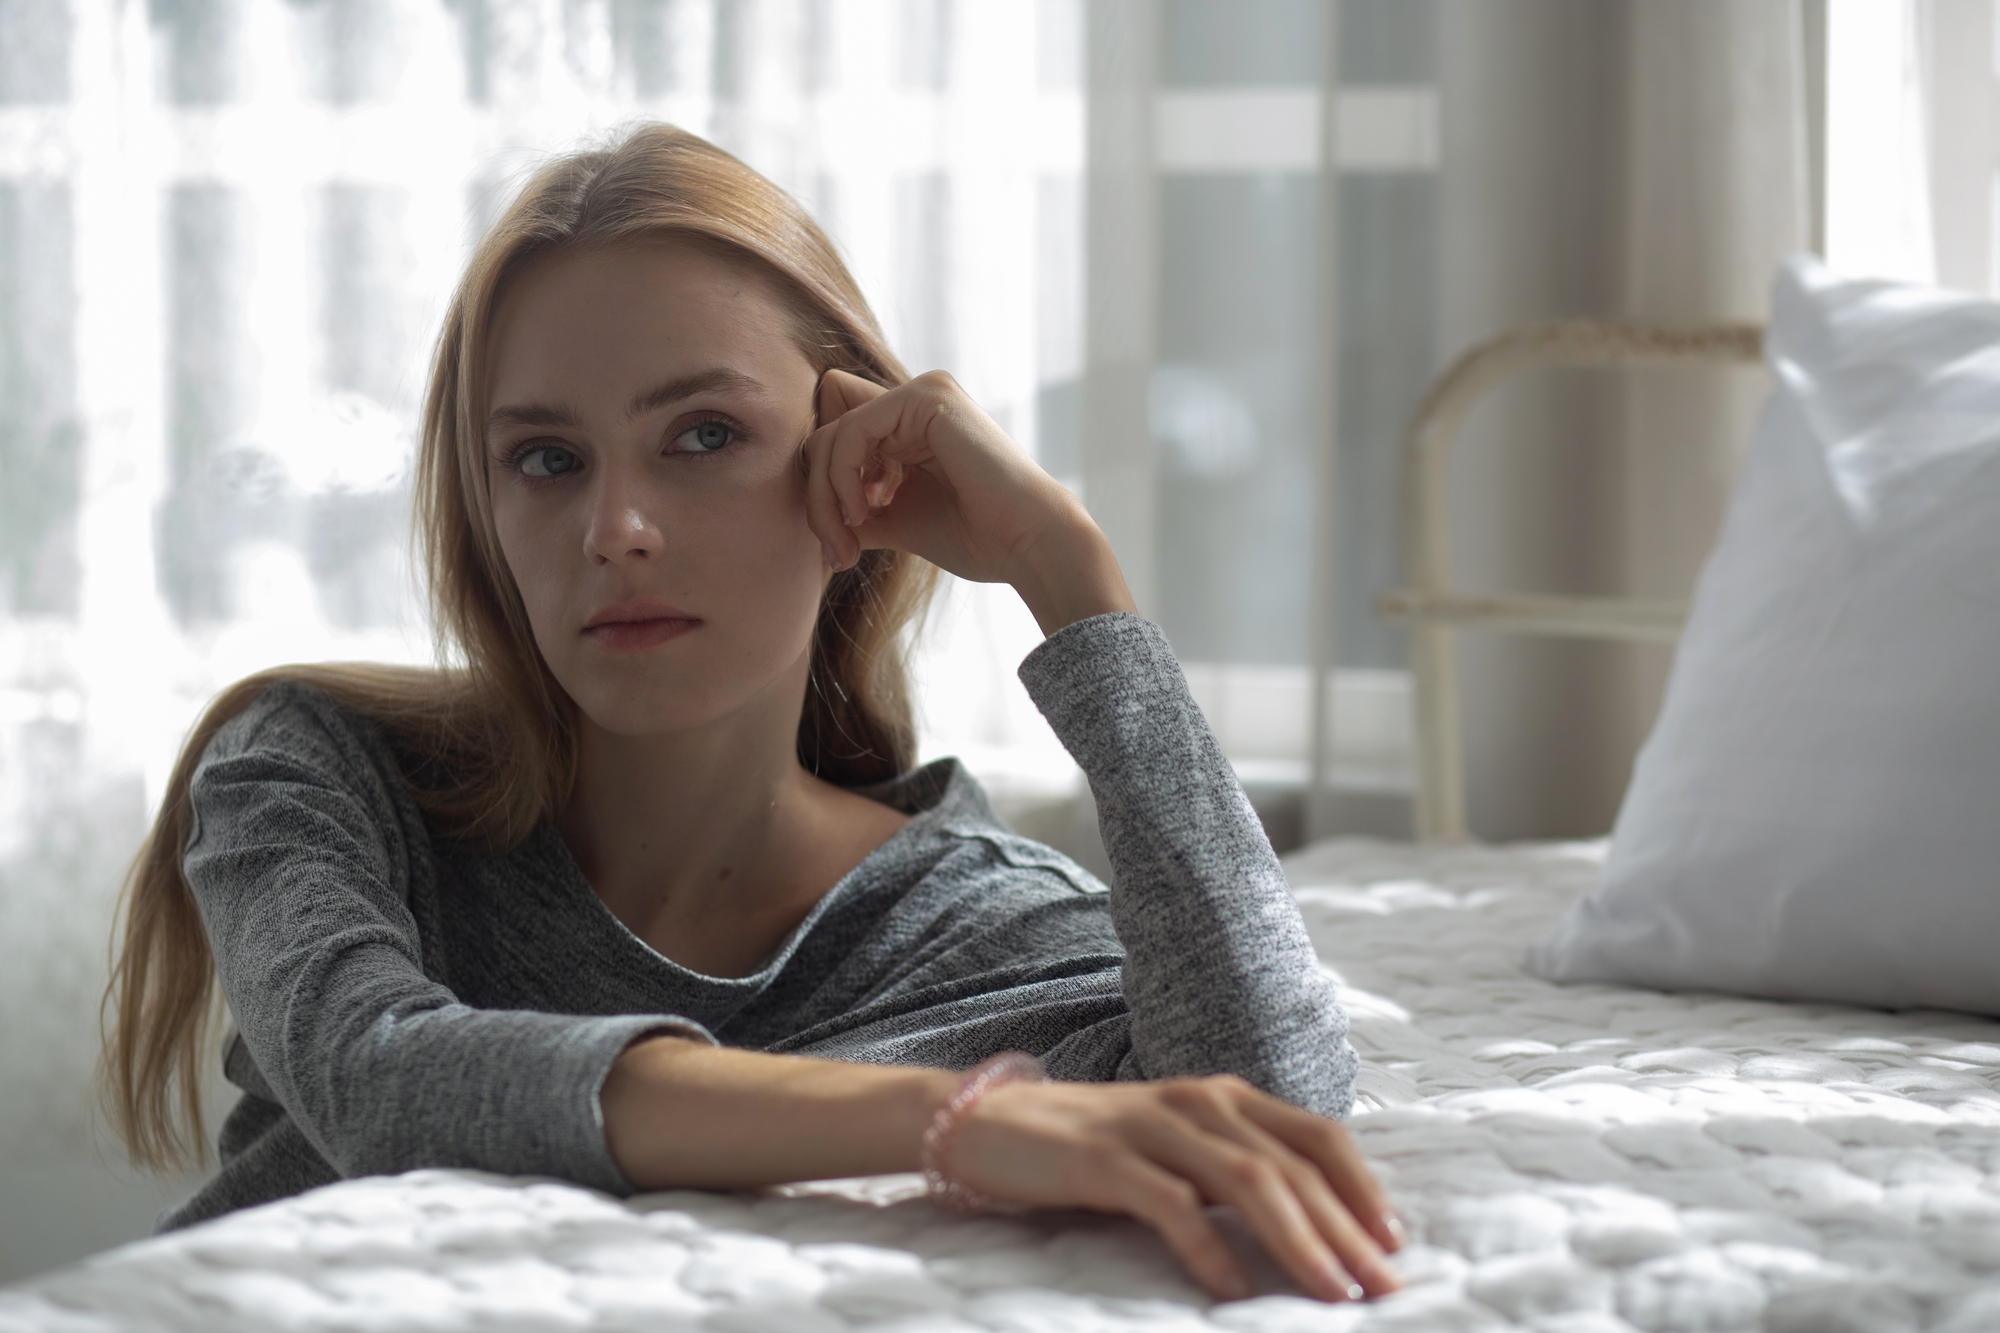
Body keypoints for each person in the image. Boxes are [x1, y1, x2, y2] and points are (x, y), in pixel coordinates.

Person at [101, 123, 1402, 1305]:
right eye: (545, 459)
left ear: (862, 464)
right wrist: (949, 1118)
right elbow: (384, 1074)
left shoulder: (977, 923)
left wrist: (1067, 566)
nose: (616, 529)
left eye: (705, 434)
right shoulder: (313, 767)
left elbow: (1276, 1107)